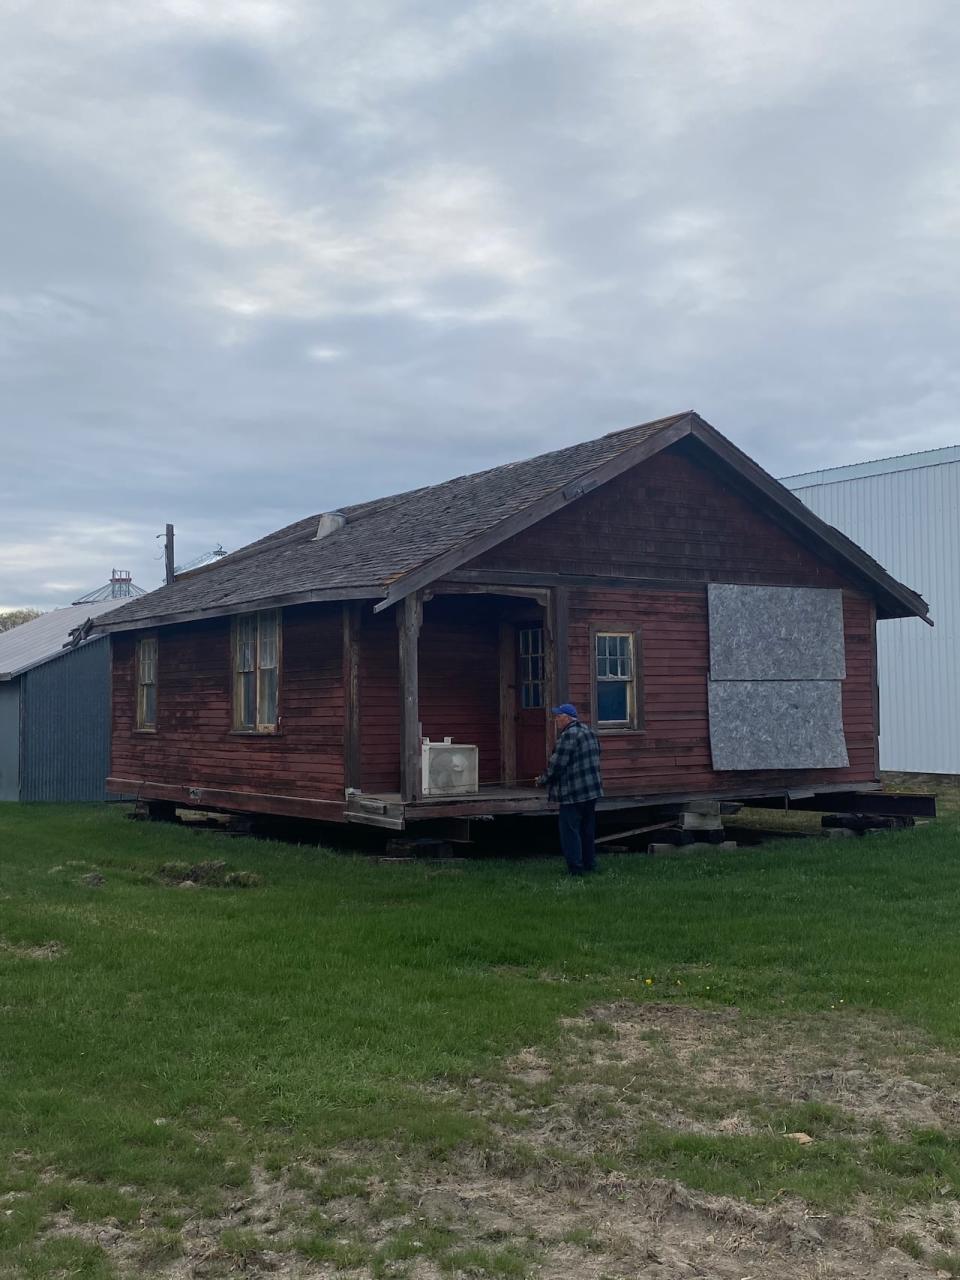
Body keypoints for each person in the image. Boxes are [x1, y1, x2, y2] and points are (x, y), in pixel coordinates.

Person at [536, 703, 603, 876]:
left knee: (570, 831)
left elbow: (557, 765)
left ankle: (575, 868)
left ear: (567, 718)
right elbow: (598, 754)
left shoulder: (568, 736)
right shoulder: (589, 732)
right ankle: (590, 864)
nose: (556, 720)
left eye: (558, 717)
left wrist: (542, 780)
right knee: (587, 830)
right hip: (592, 791)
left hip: (573, 793)